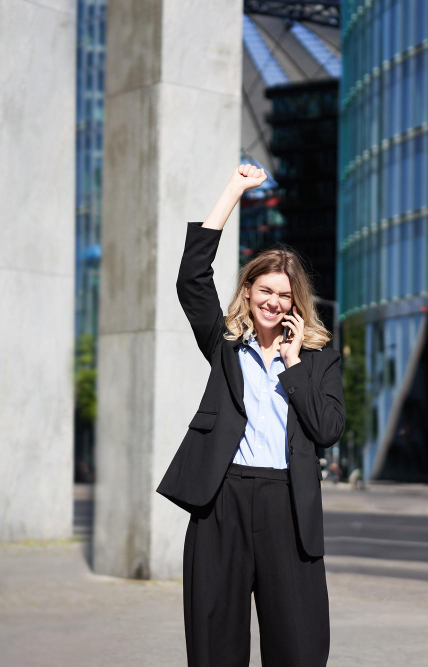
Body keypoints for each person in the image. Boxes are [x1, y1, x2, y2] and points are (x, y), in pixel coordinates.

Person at [156, 163, 345, 667]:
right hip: (223, 502)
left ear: (295, 303)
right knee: (215, 641)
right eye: (265, 290)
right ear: (248, 292)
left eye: (284, 295)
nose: (274, 301)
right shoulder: (225, 345)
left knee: (300, 647)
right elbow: (191, 277)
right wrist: (235, 190)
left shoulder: (319, 357)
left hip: (288, 505)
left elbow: (327, 430)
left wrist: (292, 364)